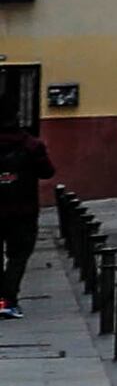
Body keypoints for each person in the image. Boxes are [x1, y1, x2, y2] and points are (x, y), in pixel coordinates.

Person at [0, 110, 46, 318]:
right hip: (23, 210)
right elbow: (48, 171)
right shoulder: (31, 145)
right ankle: (7, 301)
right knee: (18, 256)